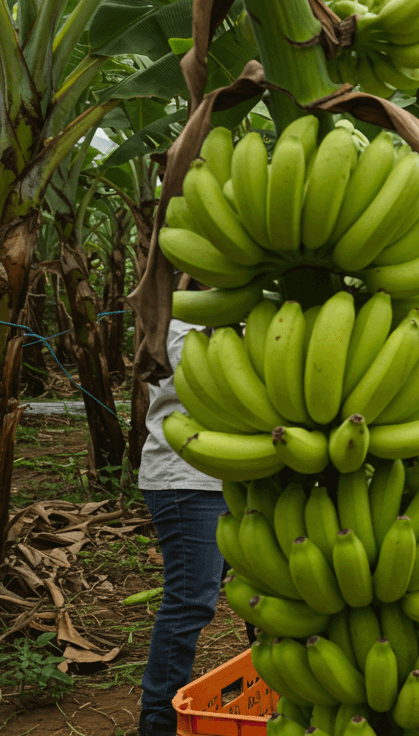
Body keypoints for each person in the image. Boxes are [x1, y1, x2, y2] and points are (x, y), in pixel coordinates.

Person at [137, 310, 229, 736]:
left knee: (262, 593)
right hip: (186, 479)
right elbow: (207, 380)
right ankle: (158, 719)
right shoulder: (178, 323)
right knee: (192, 598)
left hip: (236, 477)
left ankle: (276, 687)